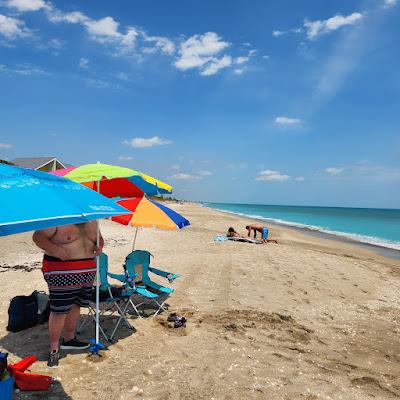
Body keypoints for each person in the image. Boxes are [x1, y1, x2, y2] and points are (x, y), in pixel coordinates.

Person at [32, 222, 103, 367]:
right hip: (61, 269)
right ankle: (54, 349)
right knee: (59, 310)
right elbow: (37, 236)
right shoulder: (59, 218)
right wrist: (54, 248)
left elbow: (99, 238)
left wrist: (99, 246)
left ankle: (69, 339)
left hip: (87, 270)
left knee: (77, 305)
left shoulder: (92, 221)